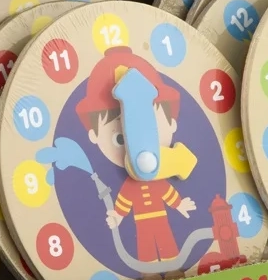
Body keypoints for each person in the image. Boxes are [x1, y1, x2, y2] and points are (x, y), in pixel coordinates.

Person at [75, 46, 196, 264]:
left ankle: (173, 269)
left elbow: (167, 192)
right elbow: (124, 200)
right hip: (141, 222)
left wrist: (180, 204)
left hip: (160, 218)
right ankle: (150, 275)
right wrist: (117, 216)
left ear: (172, 123)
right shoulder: (132, 181)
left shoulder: (157, 174)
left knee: (168, 246)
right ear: (93, 136)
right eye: (119, 139)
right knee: (146, 250)